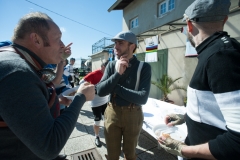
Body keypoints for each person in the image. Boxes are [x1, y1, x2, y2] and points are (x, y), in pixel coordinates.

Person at [0, 12, 95, 160]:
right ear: (36, 40)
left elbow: (47, 86)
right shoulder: (17, 72)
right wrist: (81, 97)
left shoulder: (19, 59)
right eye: (58, 39)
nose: (63, 45)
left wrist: (58, 100)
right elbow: (49, 147)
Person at [157, 0, 240, 160]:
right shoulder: (218, 51)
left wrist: (182, 149)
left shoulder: (221, 56)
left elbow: (237, 141)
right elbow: (216, 107)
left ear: (189, 25)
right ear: (224, 20)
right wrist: (186, 118)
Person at [97, 31, 152, 160]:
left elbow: (142, 98)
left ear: (132, 46)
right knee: (112, 154)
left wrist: (114, 87)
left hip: (133, 114)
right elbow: (100, 90)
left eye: (120, 43)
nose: (115, 46)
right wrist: (117, 75)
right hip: (112, 112)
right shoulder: (111, 66)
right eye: (115, 43)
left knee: (130, 154)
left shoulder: (143, 67)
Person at [79, 60, 110, 147]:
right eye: (108, 68)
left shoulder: (108, 74)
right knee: (98, 119)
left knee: (107, 118)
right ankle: (96, 137)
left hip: (105, 100)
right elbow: (81, 83)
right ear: (103, 67)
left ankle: (109, 135)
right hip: (95, 102)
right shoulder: (95, 73)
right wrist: (94, 89)